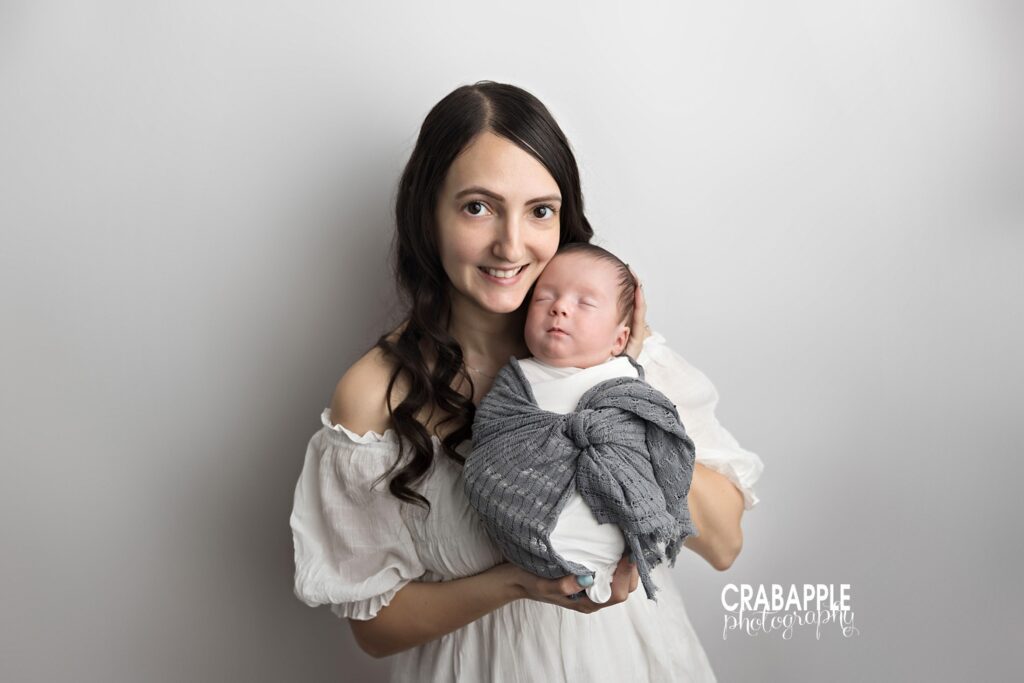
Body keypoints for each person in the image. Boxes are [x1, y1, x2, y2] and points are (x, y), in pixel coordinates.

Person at [290, 81, 764, 682]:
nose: (511, 245)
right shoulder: (375, 395)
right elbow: (375, 631)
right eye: (477, 207)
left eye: (540, 210)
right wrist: (516, 583)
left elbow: (724, 544)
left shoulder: (607, 344)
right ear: (427, 214)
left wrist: (625, 392)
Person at [465, 242, 698, 605]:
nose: (559, 307)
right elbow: (493, 441)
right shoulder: (517, 380)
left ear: (620, 340)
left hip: (610, 550)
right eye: (544, 298)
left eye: (584, 303)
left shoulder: (626, 382)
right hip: (526, 538)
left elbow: (658, 442)